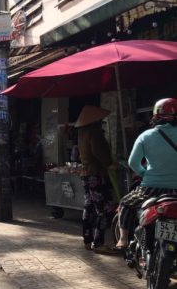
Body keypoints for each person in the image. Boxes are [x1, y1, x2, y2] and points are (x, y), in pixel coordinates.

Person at [116, 98, 177, 250]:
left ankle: (123, 239)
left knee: (125, 203)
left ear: (155, 116)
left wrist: (145, 174)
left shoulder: (146, 136)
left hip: (151, 189)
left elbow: (133, 163)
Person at [75, 105, 118, 253]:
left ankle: (87, 240)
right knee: (106, 208)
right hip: (96, 174)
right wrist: (109, 163)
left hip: (86, 174)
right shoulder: (94, 132)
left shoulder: (82, 132)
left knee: (89, 207)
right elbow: (99, 151)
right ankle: (98, 242)